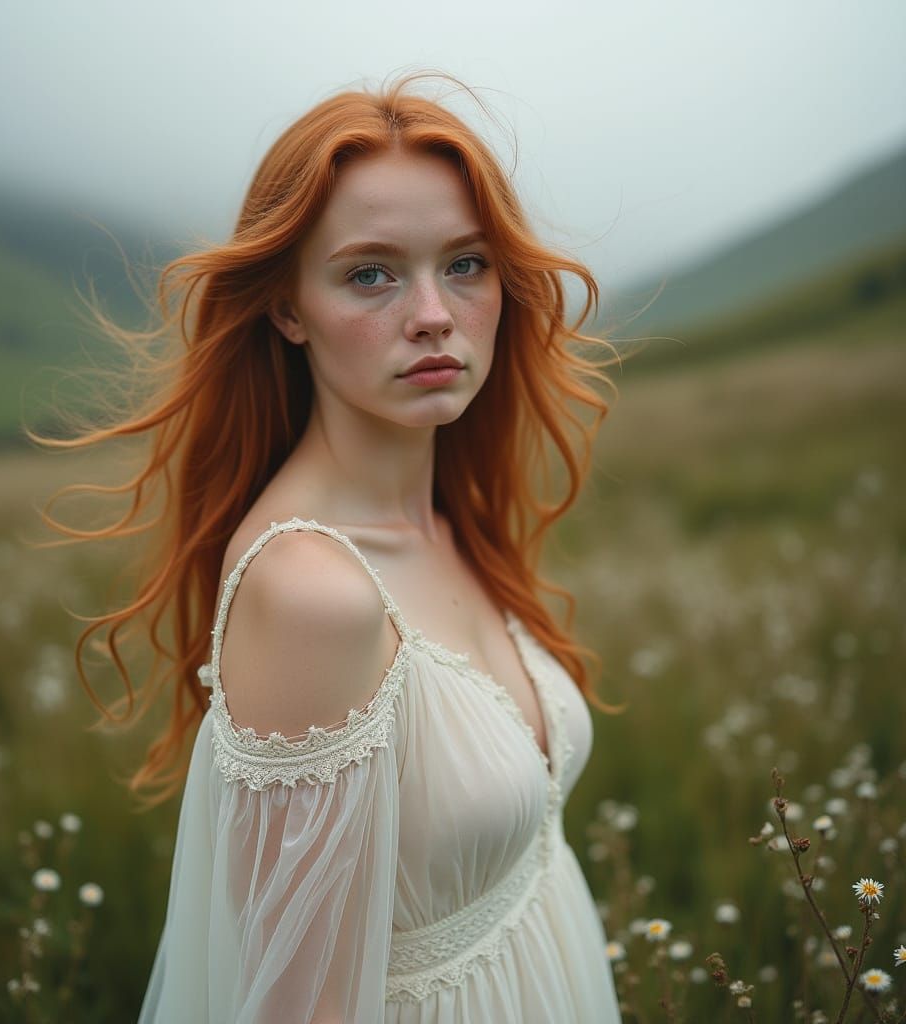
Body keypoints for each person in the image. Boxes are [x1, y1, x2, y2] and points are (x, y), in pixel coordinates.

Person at [39, 70, 625, 1023]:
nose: (433, 312)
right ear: (286, 308)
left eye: (467, 263)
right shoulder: (313, 594)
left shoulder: (446, 519)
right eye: (371, 273)